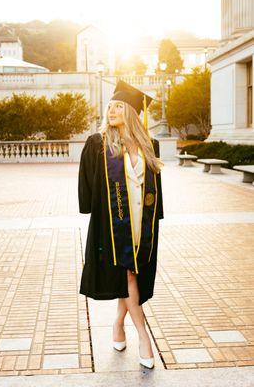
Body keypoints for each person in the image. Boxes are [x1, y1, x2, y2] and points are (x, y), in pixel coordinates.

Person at [78, 80, 164, 369]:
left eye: (118, 106)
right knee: (127, 275)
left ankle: (117, 324)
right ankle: (144, 337)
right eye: (110, 106)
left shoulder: (151, 145)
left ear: (130, 112)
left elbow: (156, 190)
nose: (112, 110)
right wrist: (96, 216)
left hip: (144, 225)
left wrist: (156, 219)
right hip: (115, 227)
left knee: (132, 278)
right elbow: (88, 187)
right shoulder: (98, 144)